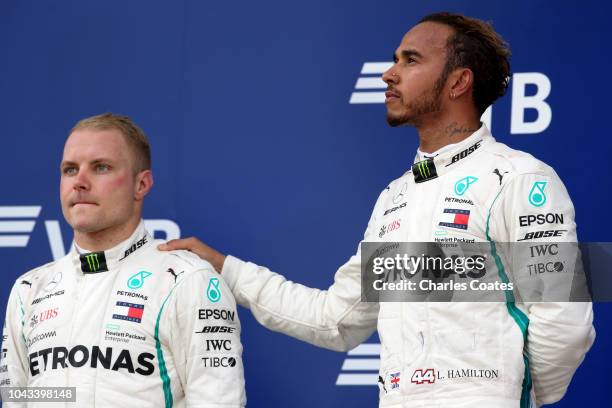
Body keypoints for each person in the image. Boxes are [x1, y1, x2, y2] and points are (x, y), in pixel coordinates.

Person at [160, 12, 594, 408]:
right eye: (395, 60)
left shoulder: (520, 179)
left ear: (458, 82)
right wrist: (227, 269)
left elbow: (565, 323)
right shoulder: (395, 197)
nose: (389, 74)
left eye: (410, 61)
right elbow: (337, 320)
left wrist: (505, 395)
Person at [0, 113, 246, 407]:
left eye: (101, 167)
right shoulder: (29, 289)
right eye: (69, 170)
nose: (79, 182)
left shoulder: (187, 280)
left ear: (141, 185)